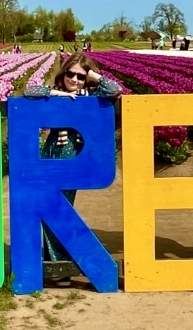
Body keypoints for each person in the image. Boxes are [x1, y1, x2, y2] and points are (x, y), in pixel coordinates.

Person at [24, 53, 121, 287]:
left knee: (59, 209)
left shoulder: (89, 96)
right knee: (43, 207)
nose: (75, 80)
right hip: (50, 154)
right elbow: (28, 90)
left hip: (72, 158)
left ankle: (60, 264)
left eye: (80, 76)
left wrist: (93, 75)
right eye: (70, 74)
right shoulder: (54, 92)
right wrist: (58, 94)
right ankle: (53, 262)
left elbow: (114, 89)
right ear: (63, 73)